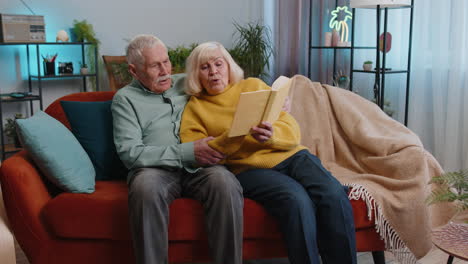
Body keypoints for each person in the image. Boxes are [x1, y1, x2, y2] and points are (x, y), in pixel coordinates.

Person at [180, 41, 357, 264]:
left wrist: (271, 135)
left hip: (291, 154)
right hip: (248, 168)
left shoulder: (253, 85)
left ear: (229, 66)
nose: (214, 72)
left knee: (333, 193)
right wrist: (237, 135)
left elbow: (291, 130)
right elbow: (200, 152)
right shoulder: (195, 107)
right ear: (196, 75)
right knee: (296, 199)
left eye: (218, 64)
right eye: (205, 68)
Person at [111, 35, 243, 264]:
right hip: (155, 170)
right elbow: (130, 153)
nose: (164, 71)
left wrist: (275, 100)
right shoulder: (124, 100)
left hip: (199, 169)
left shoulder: (187, 82)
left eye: (166, 61)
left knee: (225, 181)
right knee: (145, 187)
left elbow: (231, 83)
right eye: (154, 65)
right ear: (134, 71)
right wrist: (188, 152)